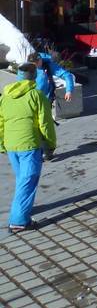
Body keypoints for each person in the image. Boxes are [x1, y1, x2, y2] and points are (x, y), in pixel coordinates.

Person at [0, 63, 56, 233]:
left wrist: (2, 143)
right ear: (34, 77)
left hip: (11, 144)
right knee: (29, 180)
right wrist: (50, 144)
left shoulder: (5, 96)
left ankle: (23, 207)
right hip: (29, 144)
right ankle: (19, 221)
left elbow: (1, 122)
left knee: (22, 179)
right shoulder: (37, 95)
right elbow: (46, 123)